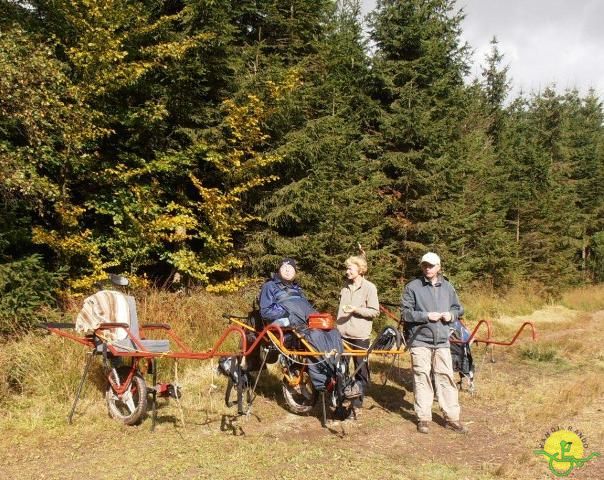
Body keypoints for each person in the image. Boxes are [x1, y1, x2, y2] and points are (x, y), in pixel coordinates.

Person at [401, 252, 467, 434]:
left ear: (439, 267)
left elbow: (458, 308)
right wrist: (425, 316)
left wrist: (451, 315)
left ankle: (452, 418)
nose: (427, 268)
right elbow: (405, 313)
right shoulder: (413, 287)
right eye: (424, 265)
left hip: (442, 340)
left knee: (445, 376)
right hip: (420, 339)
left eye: (431, 265)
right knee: (421, 377)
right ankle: (423, 418)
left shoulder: (448, 287)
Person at [259, 258, 343, 392]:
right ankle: (324, 382)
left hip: (308, 323)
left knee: (333, 333)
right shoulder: (269, 286)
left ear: (295, 272)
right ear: (278, 270)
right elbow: (265, 311)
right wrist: (285, 314)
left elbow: (307, 308)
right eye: (284, 267)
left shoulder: (297, 289)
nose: (287, 270)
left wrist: (318, 318)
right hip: (292, 326)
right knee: (316, 336)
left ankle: (338, 370)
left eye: (291, 268)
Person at [336, 256, 379, 409]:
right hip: (342, 334)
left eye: (350, 269)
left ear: (360, 271)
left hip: (360, 336)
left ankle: (357, 402)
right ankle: (342, 397)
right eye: (346, 268)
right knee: (341, 369)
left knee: (361, 369)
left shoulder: (369, 288)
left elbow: (374, 312)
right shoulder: (345, 286)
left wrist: (356, 310)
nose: (347, 271)